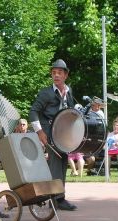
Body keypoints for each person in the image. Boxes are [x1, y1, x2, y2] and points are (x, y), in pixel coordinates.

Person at [29, 59, 77, 211]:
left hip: (63, 135)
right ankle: (55, 199)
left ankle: (57, 197)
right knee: (56, 163)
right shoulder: (46, 93)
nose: (56, 75)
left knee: (62, 163)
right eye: (54, 73)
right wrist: (40, 132)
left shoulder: (69, 92)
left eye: (59, 73)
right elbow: (33, 111)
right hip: (49, 132)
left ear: (66, 75)